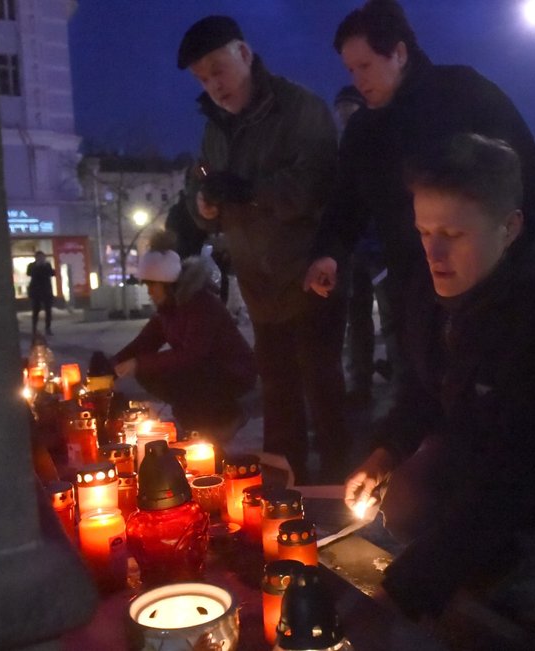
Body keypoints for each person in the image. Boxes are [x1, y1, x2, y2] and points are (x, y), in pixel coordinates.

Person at [343, 134, 535, 632]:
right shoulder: (429, 292)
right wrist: (385, 452)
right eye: (424, 232)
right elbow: (422, 389)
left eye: (453, 234)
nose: (434, 252)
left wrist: (408, 588)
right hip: (482, 447)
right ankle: (490, 561)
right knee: (403, 496)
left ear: (509, 229)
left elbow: (522, 465)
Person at [304, 0, 535, 395]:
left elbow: (528, 175)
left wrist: (524, 261)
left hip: (492, 285)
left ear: (399, 53)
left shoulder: (463, 92)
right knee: (421, 388)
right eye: (350, 70)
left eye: (365, 66)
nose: (358, 80)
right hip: (413, 287)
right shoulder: (363, 130)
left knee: (496, 391)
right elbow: (346, 201)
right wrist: (328, 251)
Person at [177, 15, 348, 482]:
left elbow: (317, 186)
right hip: (260, 284)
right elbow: (199, 188)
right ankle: (283, 488)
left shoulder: (298, 109)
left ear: (245, 54)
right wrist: (204, 206)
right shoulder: (214, 128)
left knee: (321, 385)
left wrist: (247, 189)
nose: (214, 85)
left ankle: (340, 486)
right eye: (202, 78)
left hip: (310, 274)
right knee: (276, 390)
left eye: (219, 69)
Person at [111, 231, 257, 439]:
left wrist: (139, 363)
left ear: (167, 283)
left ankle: (228, 416)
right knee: (151, 372)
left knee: (174, 379)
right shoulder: (167, 309)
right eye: (146, 285)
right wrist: (110, 367)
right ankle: (200, 425)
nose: (149, 291)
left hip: (232, 371)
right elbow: (144, 343)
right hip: (204, 369)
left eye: (152, 284)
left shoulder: (200, 304)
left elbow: (194, 353)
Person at [333, 85, 393, 406]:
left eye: (348, 110)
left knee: (391, 316)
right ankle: (361, 382)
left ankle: (403, 382)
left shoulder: (378, 142)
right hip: (354, 248)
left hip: (380, 247)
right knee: (357, 318)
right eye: (340, 111)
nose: (343, 117)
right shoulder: (344, 148)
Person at [26, 250, 55, 336]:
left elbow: (52, 273)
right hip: (36, 291)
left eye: (42, 257)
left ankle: (48, 328)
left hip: (46, 291)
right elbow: (29, 273)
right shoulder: (32, 265)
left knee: (48, 311)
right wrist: (38, 267)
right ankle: (34, 328)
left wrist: (45, 267)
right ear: (36, 258)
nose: (41, 258)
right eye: (39, 257)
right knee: (35, 310)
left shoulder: (47, 265)